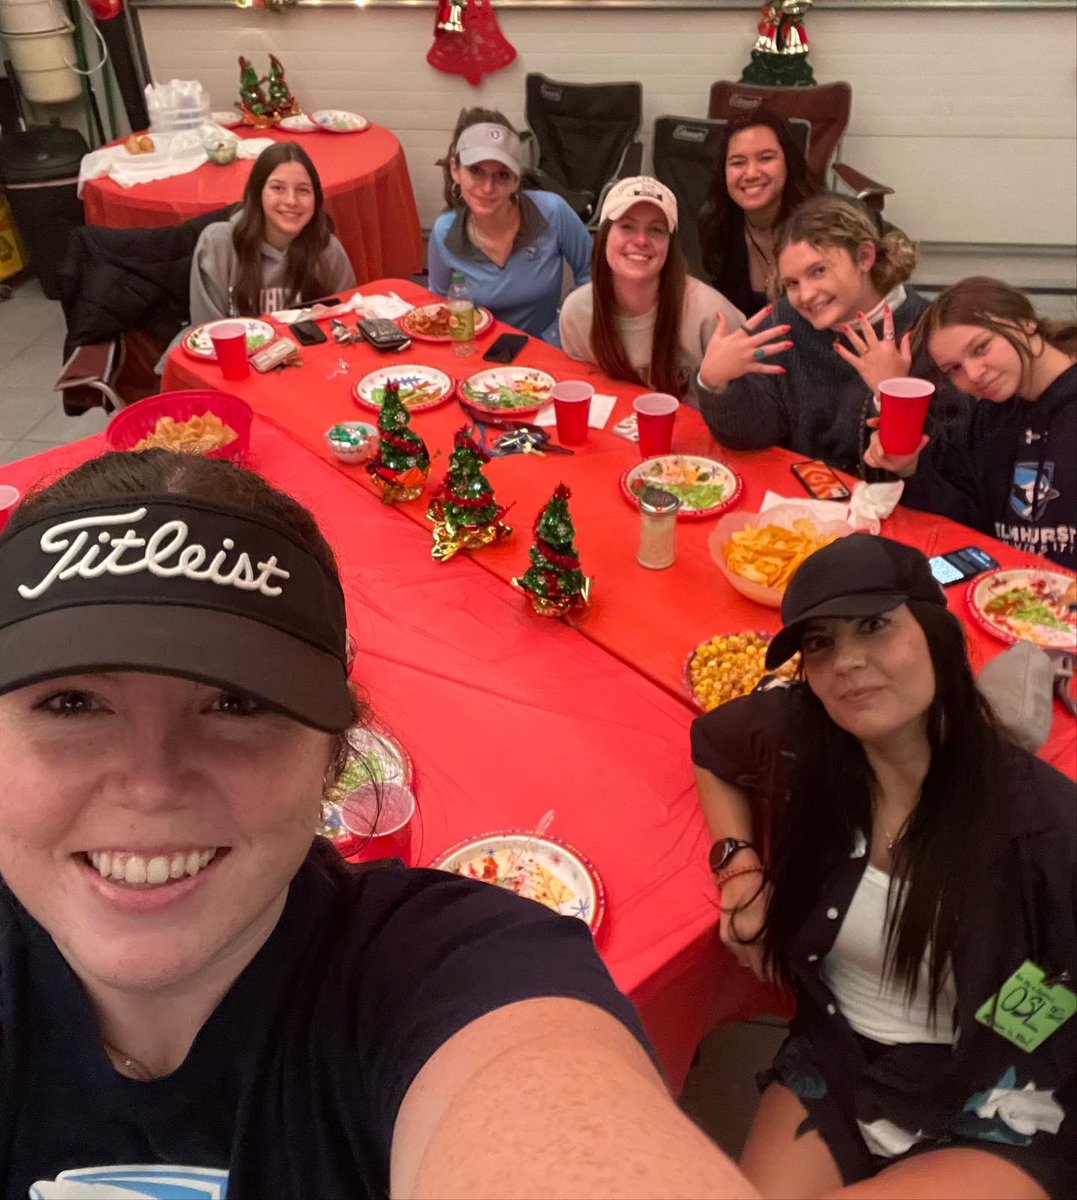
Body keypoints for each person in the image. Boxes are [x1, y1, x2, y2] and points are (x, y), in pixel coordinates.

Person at [0, 449, 757, 1199]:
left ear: (333, 755)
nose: (150, 786)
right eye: (72, 704)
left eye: (236, 704)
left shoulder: (450, 972)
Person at [692, 534, 1075, 1200]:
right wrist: (739, 864)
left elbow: (1063, 990)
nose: (846, 661)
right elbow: (710, 745)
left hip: (998, 1087)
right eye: (820, 644)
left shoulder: (1043, 824)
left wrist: (1012, 1042)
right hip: (840, 1058)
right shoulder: (809, 738)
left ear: (938, 635)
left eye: (873, 626)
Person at [697, 194, 966, 477]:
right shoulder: (785, 320)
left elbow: (955, 466)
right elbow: (753, 434)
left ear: (865, 257)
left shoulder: (930, 332)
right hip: (800, 494)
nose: (805, 295)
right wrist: (715, 383)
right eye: (792, 283)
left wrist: (895, 398)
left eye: (818, 271)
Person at [864, 277, 1076, 568]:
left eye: (981, 348)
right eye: (954, 369)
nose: (974, 374)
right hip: (1010, 586)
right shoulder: (988, 418)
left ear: (1026, 322)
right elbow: (967, 523)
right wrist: (910, 468)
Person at [559, 176, 744, 406]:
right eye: (627, 226)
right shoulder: (577, 313)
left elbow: (749, 411)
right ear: (604, 235)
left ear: (670, 245)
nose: (641, 240)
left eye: (656, 230)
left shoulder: (712, 316)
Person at [427, 108, 592, 346]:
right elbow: (438, 304)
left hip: (546, 348)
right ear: (455, 170)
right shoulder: (444, 232)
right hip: (475, 352)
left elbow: (593, 275)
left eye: (502, 175)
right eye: (476, 171)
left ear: (516, 180)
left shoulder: (552, 212)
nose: (487, 188)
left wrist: (557, 336)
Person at [188, 141, 356, 324]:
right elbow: (206, 331)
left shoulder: (329, 251)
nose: (291, 201)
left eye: (303, 190)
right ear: (257, 193)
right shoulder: (218, 244)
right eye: (277, 188)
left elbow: (346, 322)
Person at [698, 110, 821, 318]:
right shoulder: (716, 225)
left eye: (765, 158)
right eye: (738, 162)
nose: (751, 174)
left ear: (788, 163)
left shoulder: (821, 226)